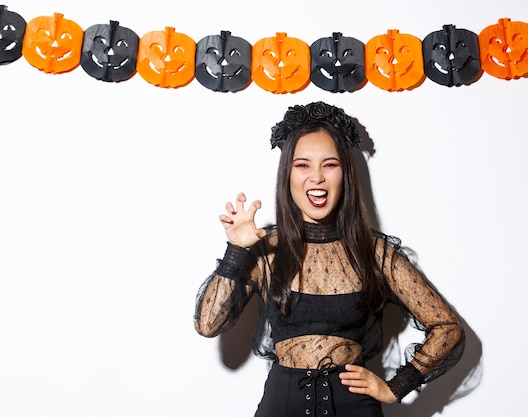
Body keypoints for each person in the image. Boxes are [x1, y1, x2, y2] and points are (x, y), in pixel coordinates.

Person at [194, 101, 465, 417]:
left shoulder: (376, 254)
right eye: (303, 165)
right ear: (288, 176)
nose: (317, 177)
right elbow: (208, 324)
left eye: (330, 164)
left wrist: (397, 386)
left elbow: (447, 327)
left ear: (345, 175)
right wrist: (237, 250)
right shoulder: (264, 249)